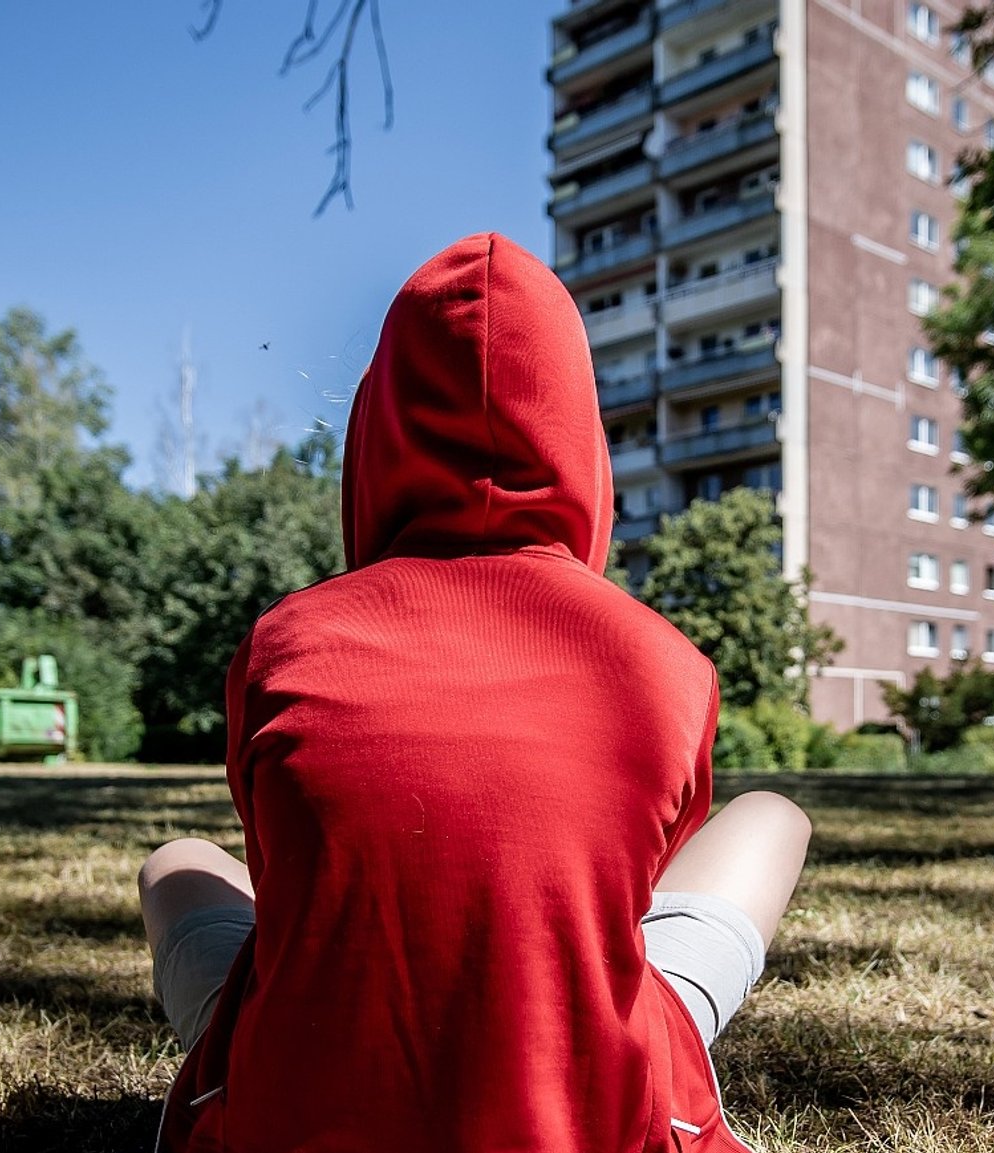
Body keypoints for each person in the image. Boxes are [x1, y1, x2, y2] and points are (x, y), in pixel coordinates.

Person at [138, 233, 813, 1152]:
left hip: (292, 1121)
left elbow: (289, 882)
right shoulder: (665, 661)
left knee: (179, 861)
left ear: (376, 439)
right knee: (772, 815)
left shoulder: (283, 643)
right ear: (584, 444)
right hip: (586, 1114)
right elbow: (620, 891)